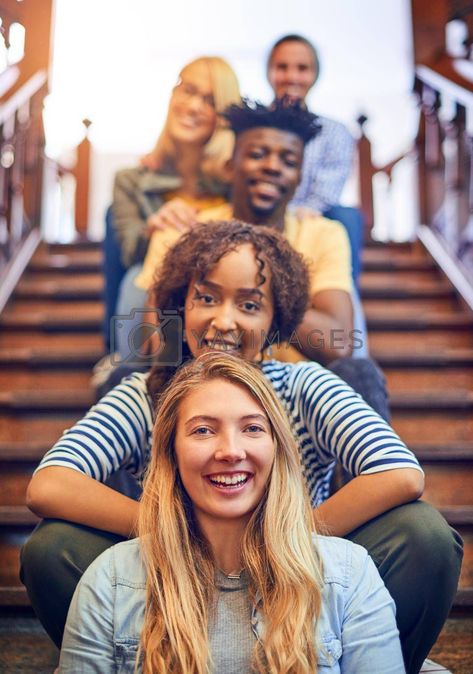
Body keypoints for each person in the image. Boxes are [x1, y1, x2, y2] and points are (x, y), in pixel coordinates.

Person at [22, 221, 461, 674]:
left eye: (249, 304)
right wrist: (167, 528)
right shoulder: (144, 394)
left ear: (276, 323)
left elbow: (401, 473)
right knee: (51, 547)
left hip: (298, 573)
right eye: (206, 298)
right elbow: (49, 484)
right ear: (180, 306)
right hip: (178, 575)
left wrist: (283, 533)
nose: (224, 320)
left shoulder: (303, 384)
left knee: (424, 535)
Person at [58, 352, 405, 673]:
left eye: (252, 428)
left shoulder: (349, 575)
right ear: (171, 453)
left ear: (276, 449)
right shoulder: (110, 581)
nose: (230, 451)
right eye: (203, 430)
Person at [134, 99, 358, 366]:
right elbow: (157, 345)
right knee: (121, 377)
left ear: (298, 178)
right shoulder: (182, 231)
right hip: (198, 383)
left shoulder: (325, 235)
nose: (273, 167)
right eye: (257, 155)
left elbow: (339, 345)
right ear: (230, 168)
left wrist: (261, 293)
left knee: (359, 372)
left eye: (288, 161)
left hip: (291, 388)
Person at [107, 56, 240, 351]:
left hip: (220, 292)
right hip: (153, 292)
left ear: (224, 114)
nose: (193, 106)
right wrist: (151, 227)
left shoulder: (238, 183)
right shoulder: (132, 181)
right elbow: (128, 253)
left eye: (209, 100)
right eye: (188, 90)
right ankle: (129, 372)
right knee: (134, 278)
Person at [267, 34, 363, 285]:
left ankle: (344, 303)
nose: (291, 77)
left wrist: (291, 220)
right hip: (258, 213)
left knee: (347, 217)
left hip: (309, 216)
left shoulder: (335, 132)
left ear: (314, 75)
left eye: (302, 68)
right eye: (282, 67)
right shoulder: (250, 127)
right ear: (269, 72)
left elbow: (324, 195)